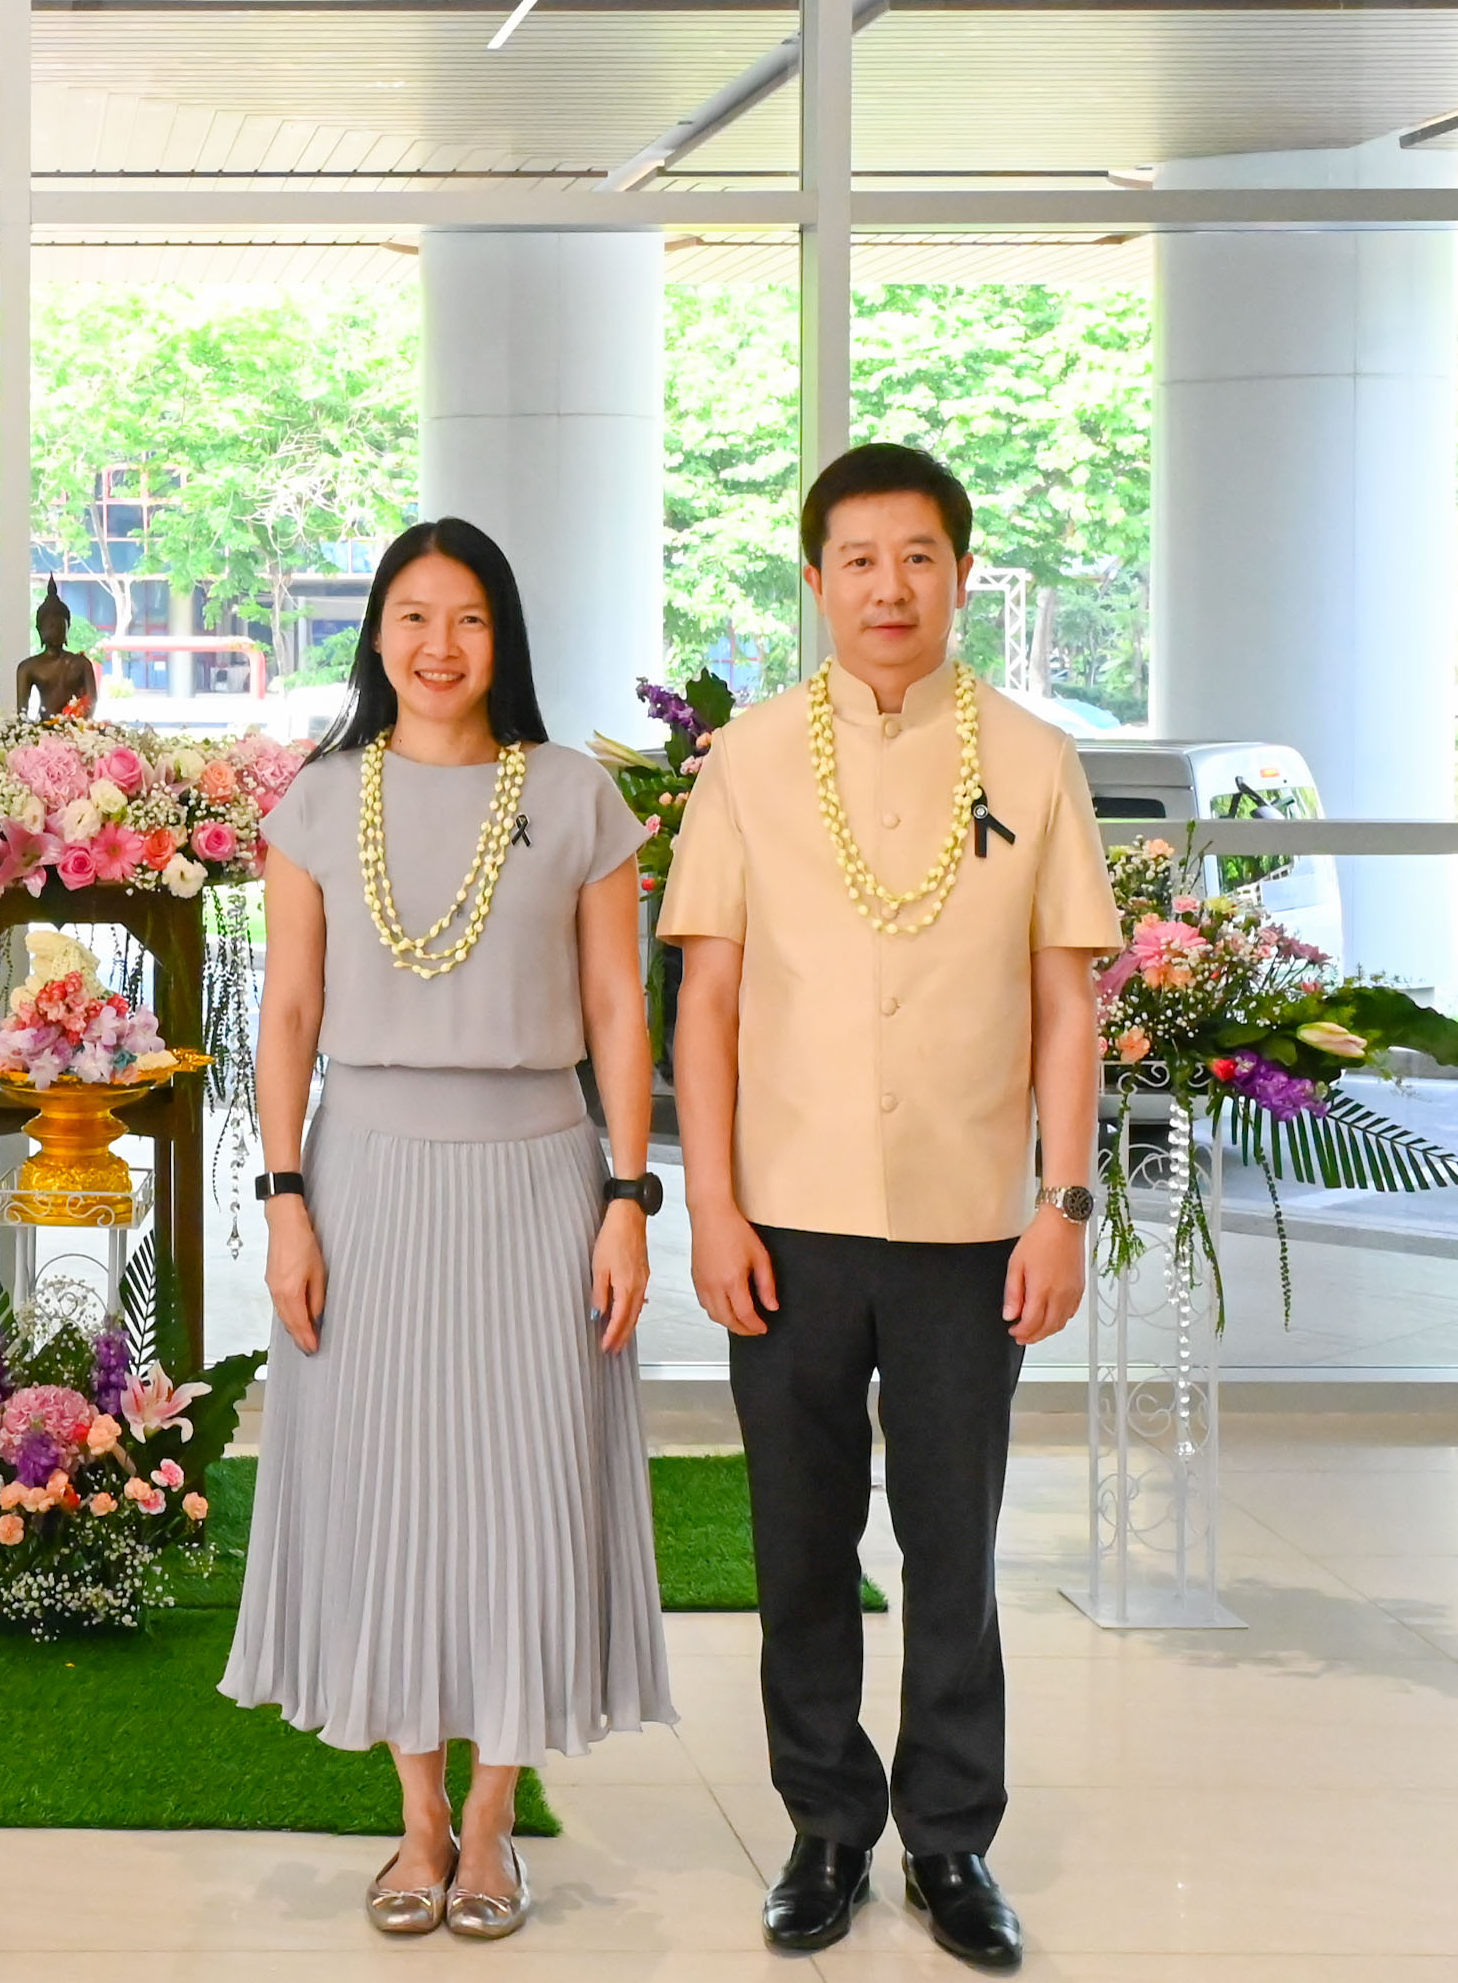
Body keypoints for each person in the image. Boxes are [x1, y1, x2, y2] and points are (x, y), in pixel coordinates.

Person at [661, 443, 1119, 1970]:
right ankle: (822, 1824)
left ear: (960, 574)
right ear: (811, 580)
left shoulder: (1036, 761)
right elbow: (706, 998)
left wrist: (1059, 1201)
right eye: (855, 558)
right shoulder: (745, 759)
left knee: (950, 1544)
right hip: (782, 1218)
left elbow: (1065, 1005)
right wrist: (706, 1204)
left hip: (967, 1222)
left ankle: (947, 1840)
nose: (885, 586)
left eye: (915, 557)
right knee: (797, 1540)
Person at [222, 517, 674, 1942]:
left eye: (466, 618)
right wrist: (284, 1197)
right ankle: (414, 1815)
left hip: (540, 1176)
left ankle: (492, 1821)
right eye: (410, 616)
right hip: (361, 1178)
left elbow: (617, 1009)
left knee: (523, 1494)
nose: (435, 645)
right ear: (373, 633)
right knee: (386, 1490)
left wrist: (624, 1197)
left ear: (502, 639)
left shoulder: (574, 793)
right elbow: (286, 1013)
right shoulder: (318, 798)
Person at [15, 578, 98, 719]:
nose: (55, 631)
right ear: (39, 630)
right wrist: (26, 732)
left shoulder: (81, 664)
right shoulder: (28, 667)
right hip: (42, 729)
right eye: (50, 626)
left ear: (68, 629)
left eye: (60, 627)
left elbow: (91, 701)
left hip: (76, 731)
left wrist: (77, 725)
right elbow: (22, 711)